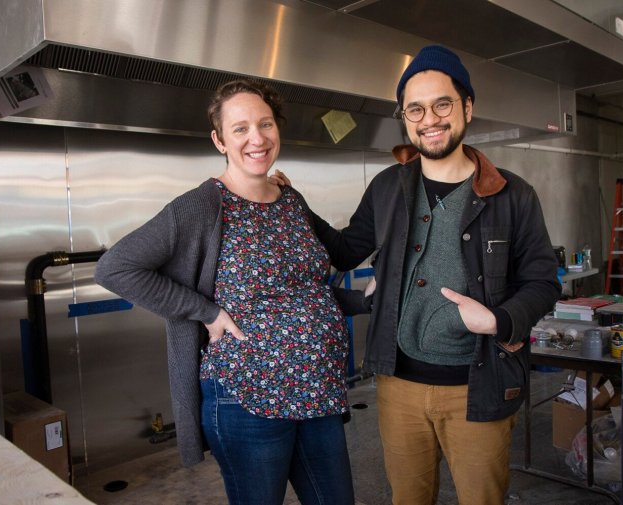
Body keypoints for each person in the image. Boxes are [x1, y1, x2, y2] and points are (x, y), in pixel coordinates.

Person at [310, 45, 562, 505]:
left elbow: (543, 281)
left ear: (467, 106)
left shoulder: (512, 195)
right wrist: (291, 203)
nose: (430, 118)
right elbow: (346, 252)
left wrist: (499, 321)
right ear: (405, 117)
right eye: (416, 109)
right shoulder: (389, 185)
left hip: (478, 385)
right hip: (398, 386)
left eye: (442, 103)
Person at [95, 79, 365, 505]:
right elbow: (116, 267)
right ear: (219, 139)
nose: (256, 138)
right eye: (240, 129)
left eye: (265, 124)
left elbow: (305, 289)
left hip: (318, 391)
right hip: (247, 397)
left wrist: (366, 301)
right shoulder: (201, 206)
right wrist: (205, 311)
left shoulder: (290, 199)